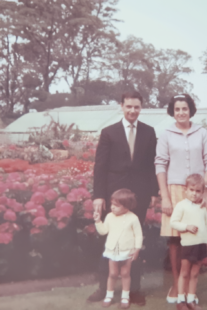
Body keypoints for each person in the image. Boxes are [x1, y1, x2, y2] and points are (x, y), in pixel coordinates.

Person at [89, 91, 158, 305]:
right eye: (129, 106)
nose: (132, 111)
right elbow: (100, 166)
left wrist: (154, 193)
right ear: (121, 106)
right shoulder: (109, 133)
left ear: (141, 108)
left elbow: (152, 165)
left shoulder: (148, 132)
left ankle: (134, 290)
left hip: (139, 196)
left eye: (137, 107)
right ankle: (103, 288)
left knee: (134, 240)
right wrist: (99, 196)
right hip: (114, 196)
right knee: (108, 240)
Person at [155, 93, 207, 304]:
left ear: (191, 110)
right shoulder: (166, 134)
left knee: (196, 235)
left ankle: (190, 286)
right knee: (175, 238)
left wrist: (204, 187)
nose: (181, 113)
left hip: (198, 190)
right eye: (177, 109)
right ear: (172, 111)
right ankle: (176, 284)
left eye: (185, 109)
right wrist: (164, 196)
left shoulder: (201, 132)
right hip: (175, 190)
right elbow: (160, 164)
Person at [93, 189, 143, 309]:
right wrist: (98, 221)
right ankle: (109, 295)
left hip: (127, 251)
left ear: (126, 206)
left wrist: (137, 249)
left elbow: (138, 235)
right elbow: (103, 231)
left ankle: (125, 296)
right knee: (113, 273)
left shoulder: (133, 218)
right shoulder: (110, 217)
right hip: (113, 251)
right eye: (112, 204)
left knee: (125, 273)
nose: (112, 207)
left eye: (116, 205)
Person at [170, 174, 207, 310]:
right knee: (185, 273)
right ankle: (181, 301)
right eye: (192, 190)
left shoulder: (202, 207)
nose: (194, 194)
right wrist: (186, 227)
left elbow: (206, 225)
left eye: (198, 191)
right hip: (188, 245)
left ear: (202, 192)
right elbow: (173, 222)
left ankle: (191, 300)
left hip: (201, 244)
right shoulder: (181, 206)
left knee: (194, 274)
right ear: (186, 190)